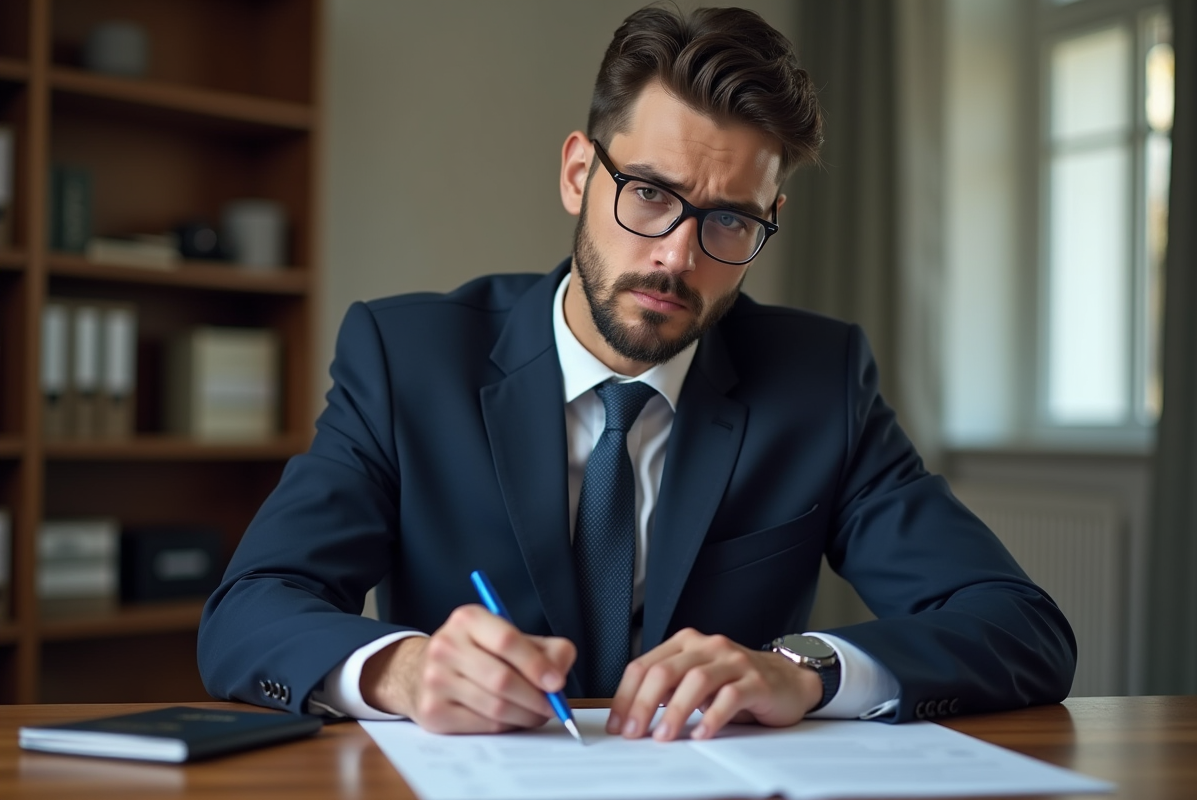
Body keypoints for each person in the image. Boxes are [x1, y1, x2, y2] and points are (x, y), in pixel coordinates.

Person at [198, 5, 1075, 741]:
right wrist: (403, 668)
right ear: (579, 174)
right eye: (650, 194)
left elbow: (1020, 628)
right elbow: (249, 610)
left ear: (769, 221)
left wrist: (804, 669)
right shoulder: (406, 361)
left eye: (729, 221)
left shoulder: (820, 381)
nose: (676, 256)